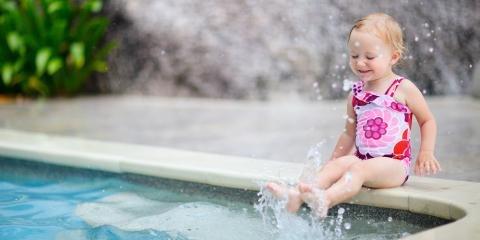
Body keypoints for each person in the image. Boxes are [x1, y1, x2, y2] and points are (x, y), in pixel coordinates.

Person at [266, 12, 441, 217]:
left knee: (357, 171)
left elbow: (427, 120)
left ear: (393, 57)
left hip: (393, 166)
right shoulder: (356, 94)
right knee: (340, 165)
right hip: (363, 160)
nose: (360, 63)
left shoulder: (403, 88)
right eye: (354, 56)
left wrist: (426, 152)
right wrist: (334, 161)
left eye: (369, 57)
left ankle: (326, 200)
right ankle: (295, 194)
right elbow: (349, 133)